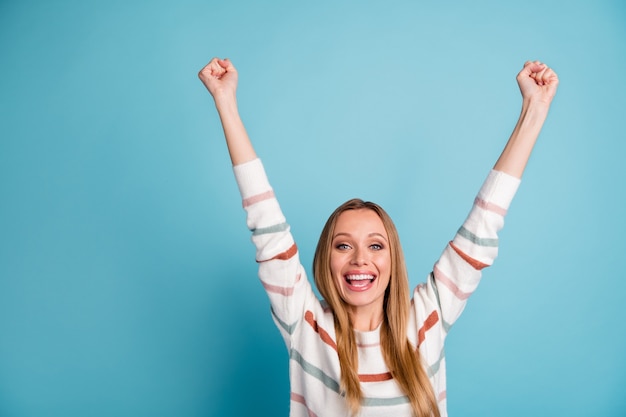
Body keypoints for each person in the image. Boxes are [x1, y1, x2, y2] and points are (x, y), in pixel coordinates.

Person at [198, 57, 558, 417]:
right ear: (327, 259)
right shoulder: (306, 326)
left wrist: (534, 109)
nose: (360, 259)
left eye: (375, 245)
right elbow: (268, 228)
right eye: (343, 245)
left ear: (392, 260)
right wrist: (225, 101)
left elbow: (483, 225)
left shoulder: (425, 320)